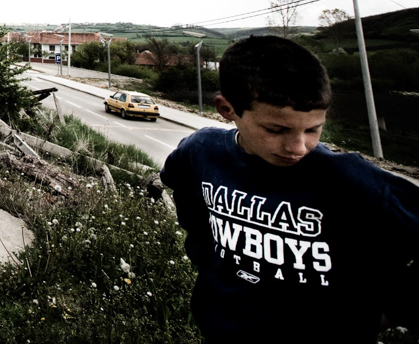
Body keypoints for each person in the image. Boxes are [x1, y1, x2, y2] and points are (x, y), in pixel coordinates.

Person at [161, 35, 419, 344]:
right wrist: (208, 258)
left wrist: (388, 310)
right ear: (227, 109)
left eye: (313, 130)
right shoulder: (201, 150)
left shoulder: (350, 178)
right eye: (277, 129)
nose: (298, 147)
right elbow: (182, 186)